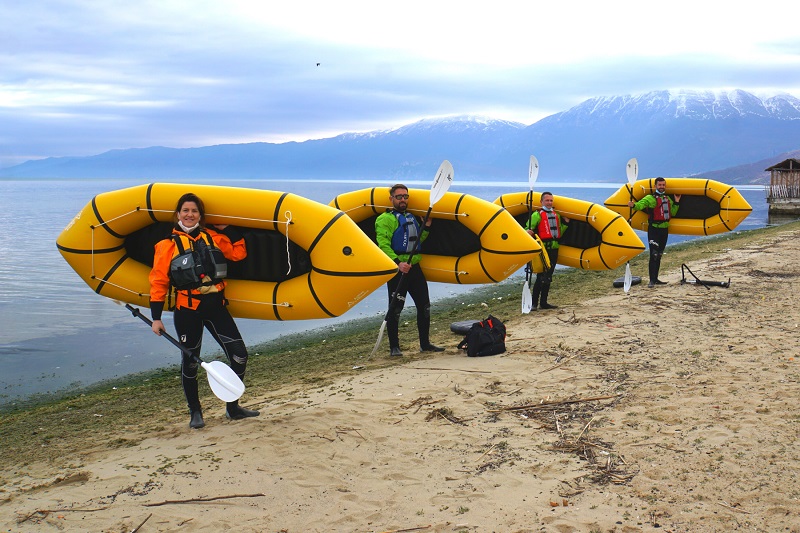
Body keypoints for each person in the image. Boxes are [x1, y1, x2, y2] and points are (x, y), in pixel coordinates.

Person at [149, 192, 260, 429]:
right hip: (187, 311)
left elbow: (239, 253)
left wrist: (227, 228)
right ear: (178, 214)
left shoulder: (213, 238)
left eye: (194, 211)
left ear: (200, 215)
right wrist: (156, 318)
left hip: (216, 307)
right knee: (189, 363)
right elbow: (158, 282)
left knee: (240, 355)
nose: (190, 215)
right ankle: (195, 412)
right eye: (185, 211)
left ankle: (233, 407)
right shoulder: (166, 245)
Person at [375, 184, 445, 357]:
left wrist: (426, 226)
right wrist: (398, 262)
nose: (403, 200)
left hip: (414, 268)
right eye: (399, 197)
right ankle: (394, 348)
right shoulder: (385, 219)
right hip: (397, 271)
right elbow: (382, 245)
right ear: (391, 199)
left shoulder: (411, 217)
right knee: (395, 309)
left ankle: (425, 344)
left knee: (424, 306)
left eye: (405, 196)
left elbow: (417, 240)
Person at [628, 177, 681, 288]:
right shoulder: (649, 198)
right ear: (655, 186)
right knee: (654, 255)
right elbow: (640, 205)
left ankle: (656, 279)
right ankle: (651, 280)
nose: (662, 187)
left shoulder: (667, 199)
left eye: (663, 185)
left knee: (659, 255)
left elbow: (673, 213)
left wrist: (676, 201)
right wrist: (633, 205)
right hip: (654, 230)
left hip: (664, 230)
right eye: (660, 185)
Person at [525, 192, 569, 310]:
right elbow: (527, 229)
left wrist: (566, 223)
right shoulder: (537, 215)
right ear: (542, 202)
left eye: (551, 200)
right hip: (543, 249)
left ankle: (543, 303)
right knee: (541, 276)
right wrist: (528, 232)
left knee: (548, 276)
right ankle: (534, 303)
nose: (549, 203)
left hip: (554, 248)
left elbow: (560, 231)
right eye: (547, 200)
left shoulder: (556, 215)